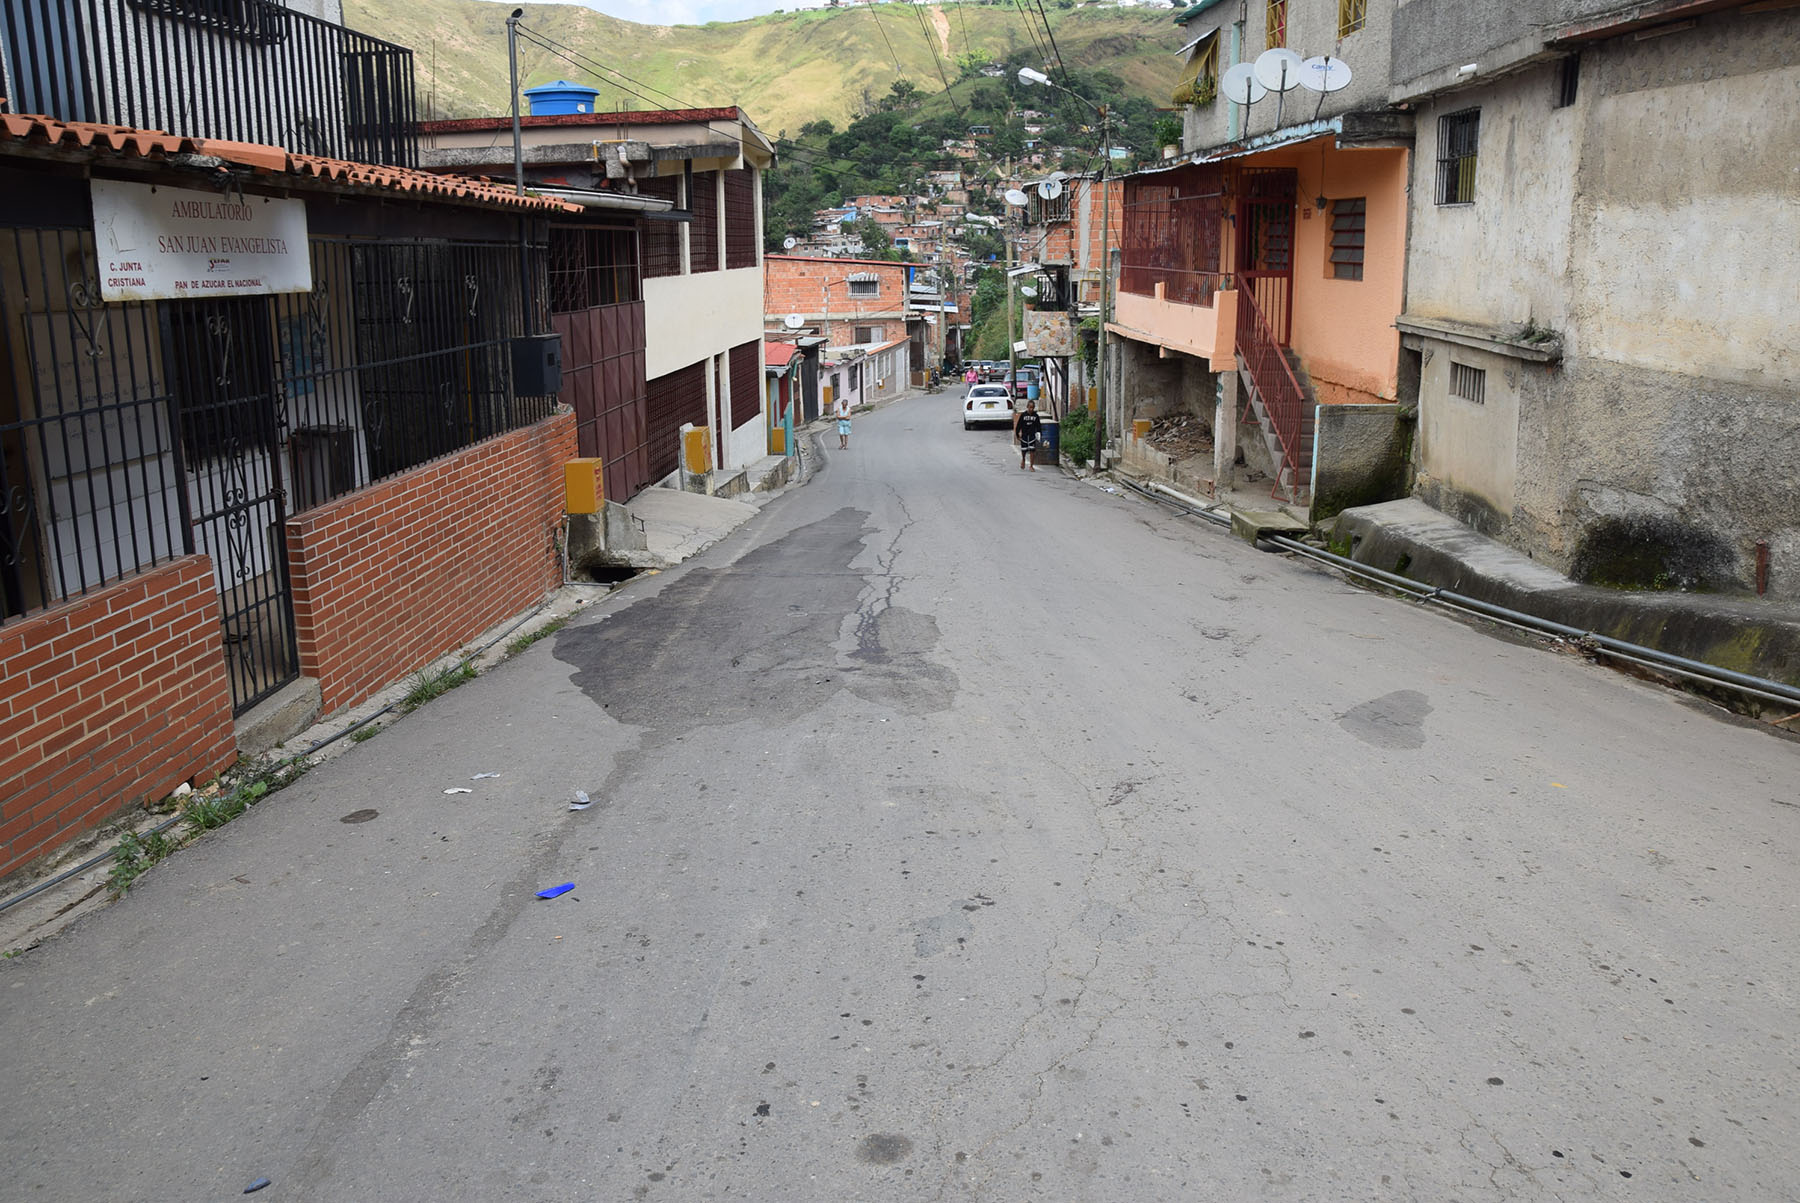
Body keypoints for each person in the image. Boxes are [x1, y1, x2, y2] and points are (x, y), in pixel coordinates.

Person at [1014, 399, 1042, 471]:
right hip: (1024, 435)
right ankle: (1023, 459)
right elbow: (1019, 425)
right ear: (1027, 407)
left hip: (1032, 435)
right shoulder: (1023, 415)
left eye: (1032, 407)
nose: (1031, 409)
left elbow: (1038, 427)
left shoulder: (1036, 416)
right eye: (1030, 407)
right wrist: (1017, 434)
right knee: (1024, 450)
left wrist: (1039, 435)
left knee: (1032, 450)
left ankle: (1031, 465)